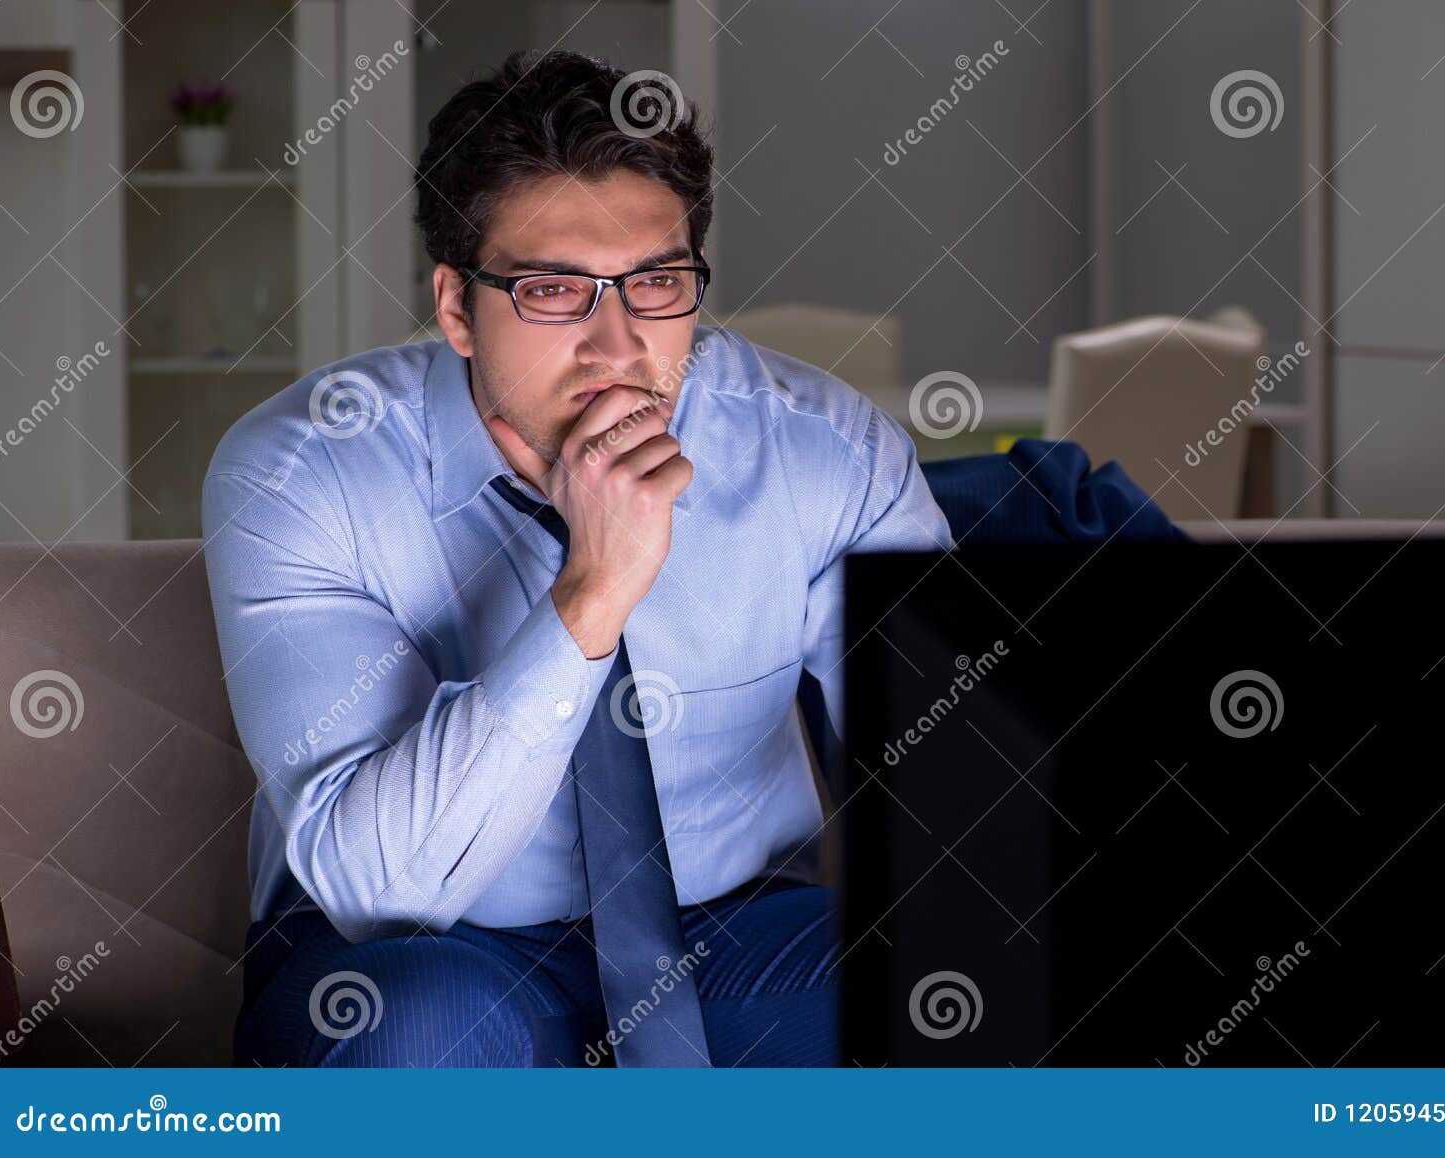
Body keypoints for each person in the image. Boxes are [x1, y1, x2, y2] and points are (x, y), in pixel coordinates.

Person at [202, 48, 952, 1067]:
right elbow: (381, 888)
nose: (618, 346)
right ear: (457, 308)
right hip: (425, 953)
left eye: (657, 284)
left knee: (974, 966)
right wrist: (591, 594)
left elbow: (966, 782)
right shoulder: (302, 472)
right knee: (409, 1039)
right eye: (554, 290)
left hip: (727, 936)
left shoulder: (823, 449)